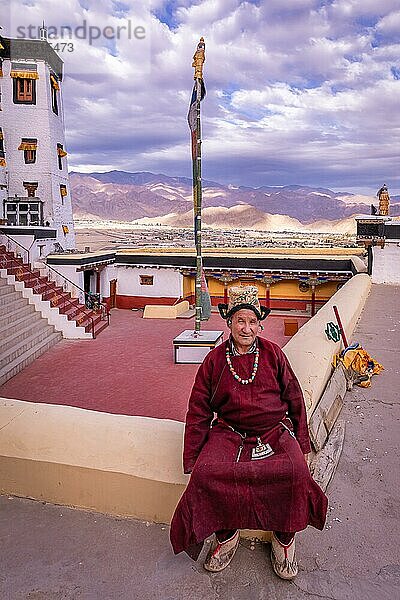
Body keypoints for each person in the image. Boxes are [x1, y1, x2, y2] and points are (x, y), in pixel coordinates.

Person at [170, 285, 328, 579]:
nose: (247, 328)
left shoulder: (273, 354)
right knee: (207, 473)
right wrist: (193, 458)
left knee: (295, 472)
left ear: (259, 324)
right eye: (240, 320)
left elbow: (294, 398)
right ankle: (227, 535)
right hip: (228, 433)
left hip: (273, 432)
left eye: (252, 321)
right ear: (229, 323)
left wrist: (303, 446)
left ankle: (284, 540)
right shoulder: (214, 361)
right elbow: (198, 412)